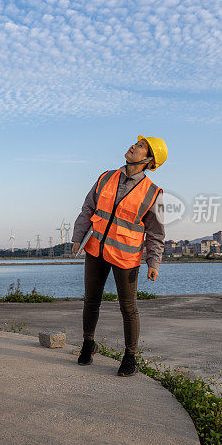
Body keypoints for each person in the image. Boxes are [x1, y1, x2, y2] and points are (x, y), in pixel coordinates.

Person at [70, 136, 167, 376]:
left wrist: (153, 262)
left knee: (128, 308)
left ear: (149, 160)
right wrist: (78, 237)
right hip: (95, 249)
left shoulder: (154, 193)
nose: (133, 146)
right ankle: (88, 344)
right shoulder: (105, 177)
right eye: (136, 143)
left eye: (141, 146)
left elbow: (156, 233)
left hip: (126, 257)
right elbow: (88, 208)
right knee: (91, 300)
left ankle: (130, 357)